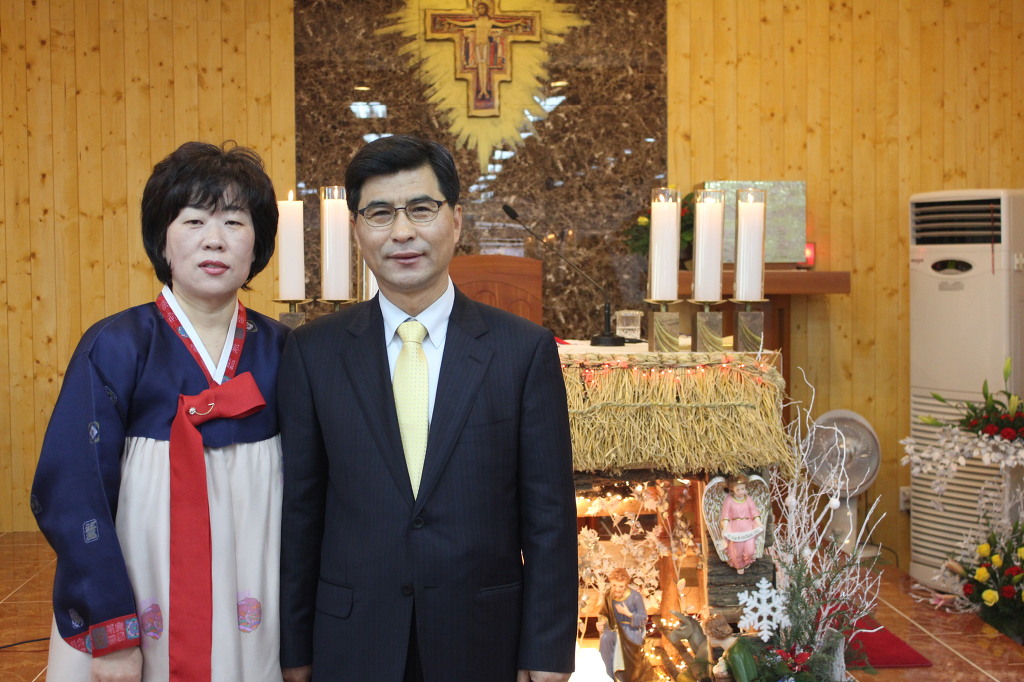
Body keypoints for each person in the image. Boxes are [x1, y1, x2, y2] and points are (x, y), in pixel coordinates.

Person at [278, 134, 578, 682]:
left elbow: (549, 517)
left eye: (421, 208)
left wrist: (548, 652)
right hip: (352, 640)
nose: (402, 232)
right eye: (380, 213)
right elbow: (301, 512)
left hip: (483, 638)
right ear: (357, 230)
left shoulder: (522, 351)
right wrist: (294, 650)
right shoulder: (313, 352)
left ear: (456, 221)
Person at [31, 141, 289, 681]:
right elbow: (72, 491)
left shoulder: (284, 350)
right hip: (139, 584)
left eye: (235, 222)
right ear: (162, 239)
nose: (215, 239)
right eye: (193, 220)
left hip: (252, 585)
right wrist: (111, 630)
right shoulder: (116, 345)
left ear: (259, 243)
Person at [598, 568, 653, 682]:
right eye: (614, 585)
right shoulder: (608, 595)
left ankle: (625, 678)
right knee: (605, 638)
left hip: (631, 629)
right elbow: (604, 613)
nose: (617, 589)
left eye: (621, 586)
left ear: (626, 584)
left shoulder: (635, 596)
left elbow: (643, 619)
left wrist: (628, 613)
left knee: (625, 642)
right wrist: (601, 622)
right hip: (613, 628)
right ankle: (609, 677)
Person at [719, 474, 763, 573]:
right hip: (735, 528)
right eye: (738, 489)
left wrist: (759, 523)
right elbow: (725, 516)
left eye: (742, 489)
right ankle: (739, 565)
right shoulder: (729, 500)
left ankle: (747, 562)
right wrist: (725, 528)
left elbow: (754, 512)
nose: (741, 492)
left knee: (750, 550)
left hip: (748, 527)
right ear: (733, 489)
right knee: (737, 551)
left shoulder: (748, 499)